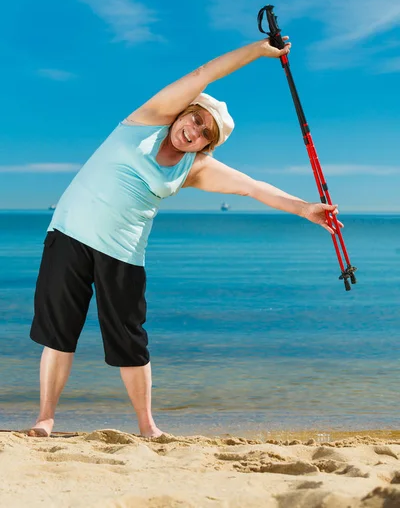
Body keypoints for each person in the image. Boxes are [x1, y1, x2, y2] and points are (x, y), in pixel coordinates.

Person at [28, 36, 342, 438]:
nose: (192, 130)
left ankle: (148, 426)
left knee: (130, 343)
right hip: (70, 234)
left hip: (124, 254)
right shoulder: (147, 119)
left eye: (203, 132)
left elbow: (252, 187)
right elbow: (204, 73)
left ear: (207, 146)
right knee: (59, 333)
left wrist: (304, 208)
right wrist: (258, 51)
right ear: (183, 112)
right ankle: (45, 418)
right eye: (193, 118)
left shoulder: (193, 168)